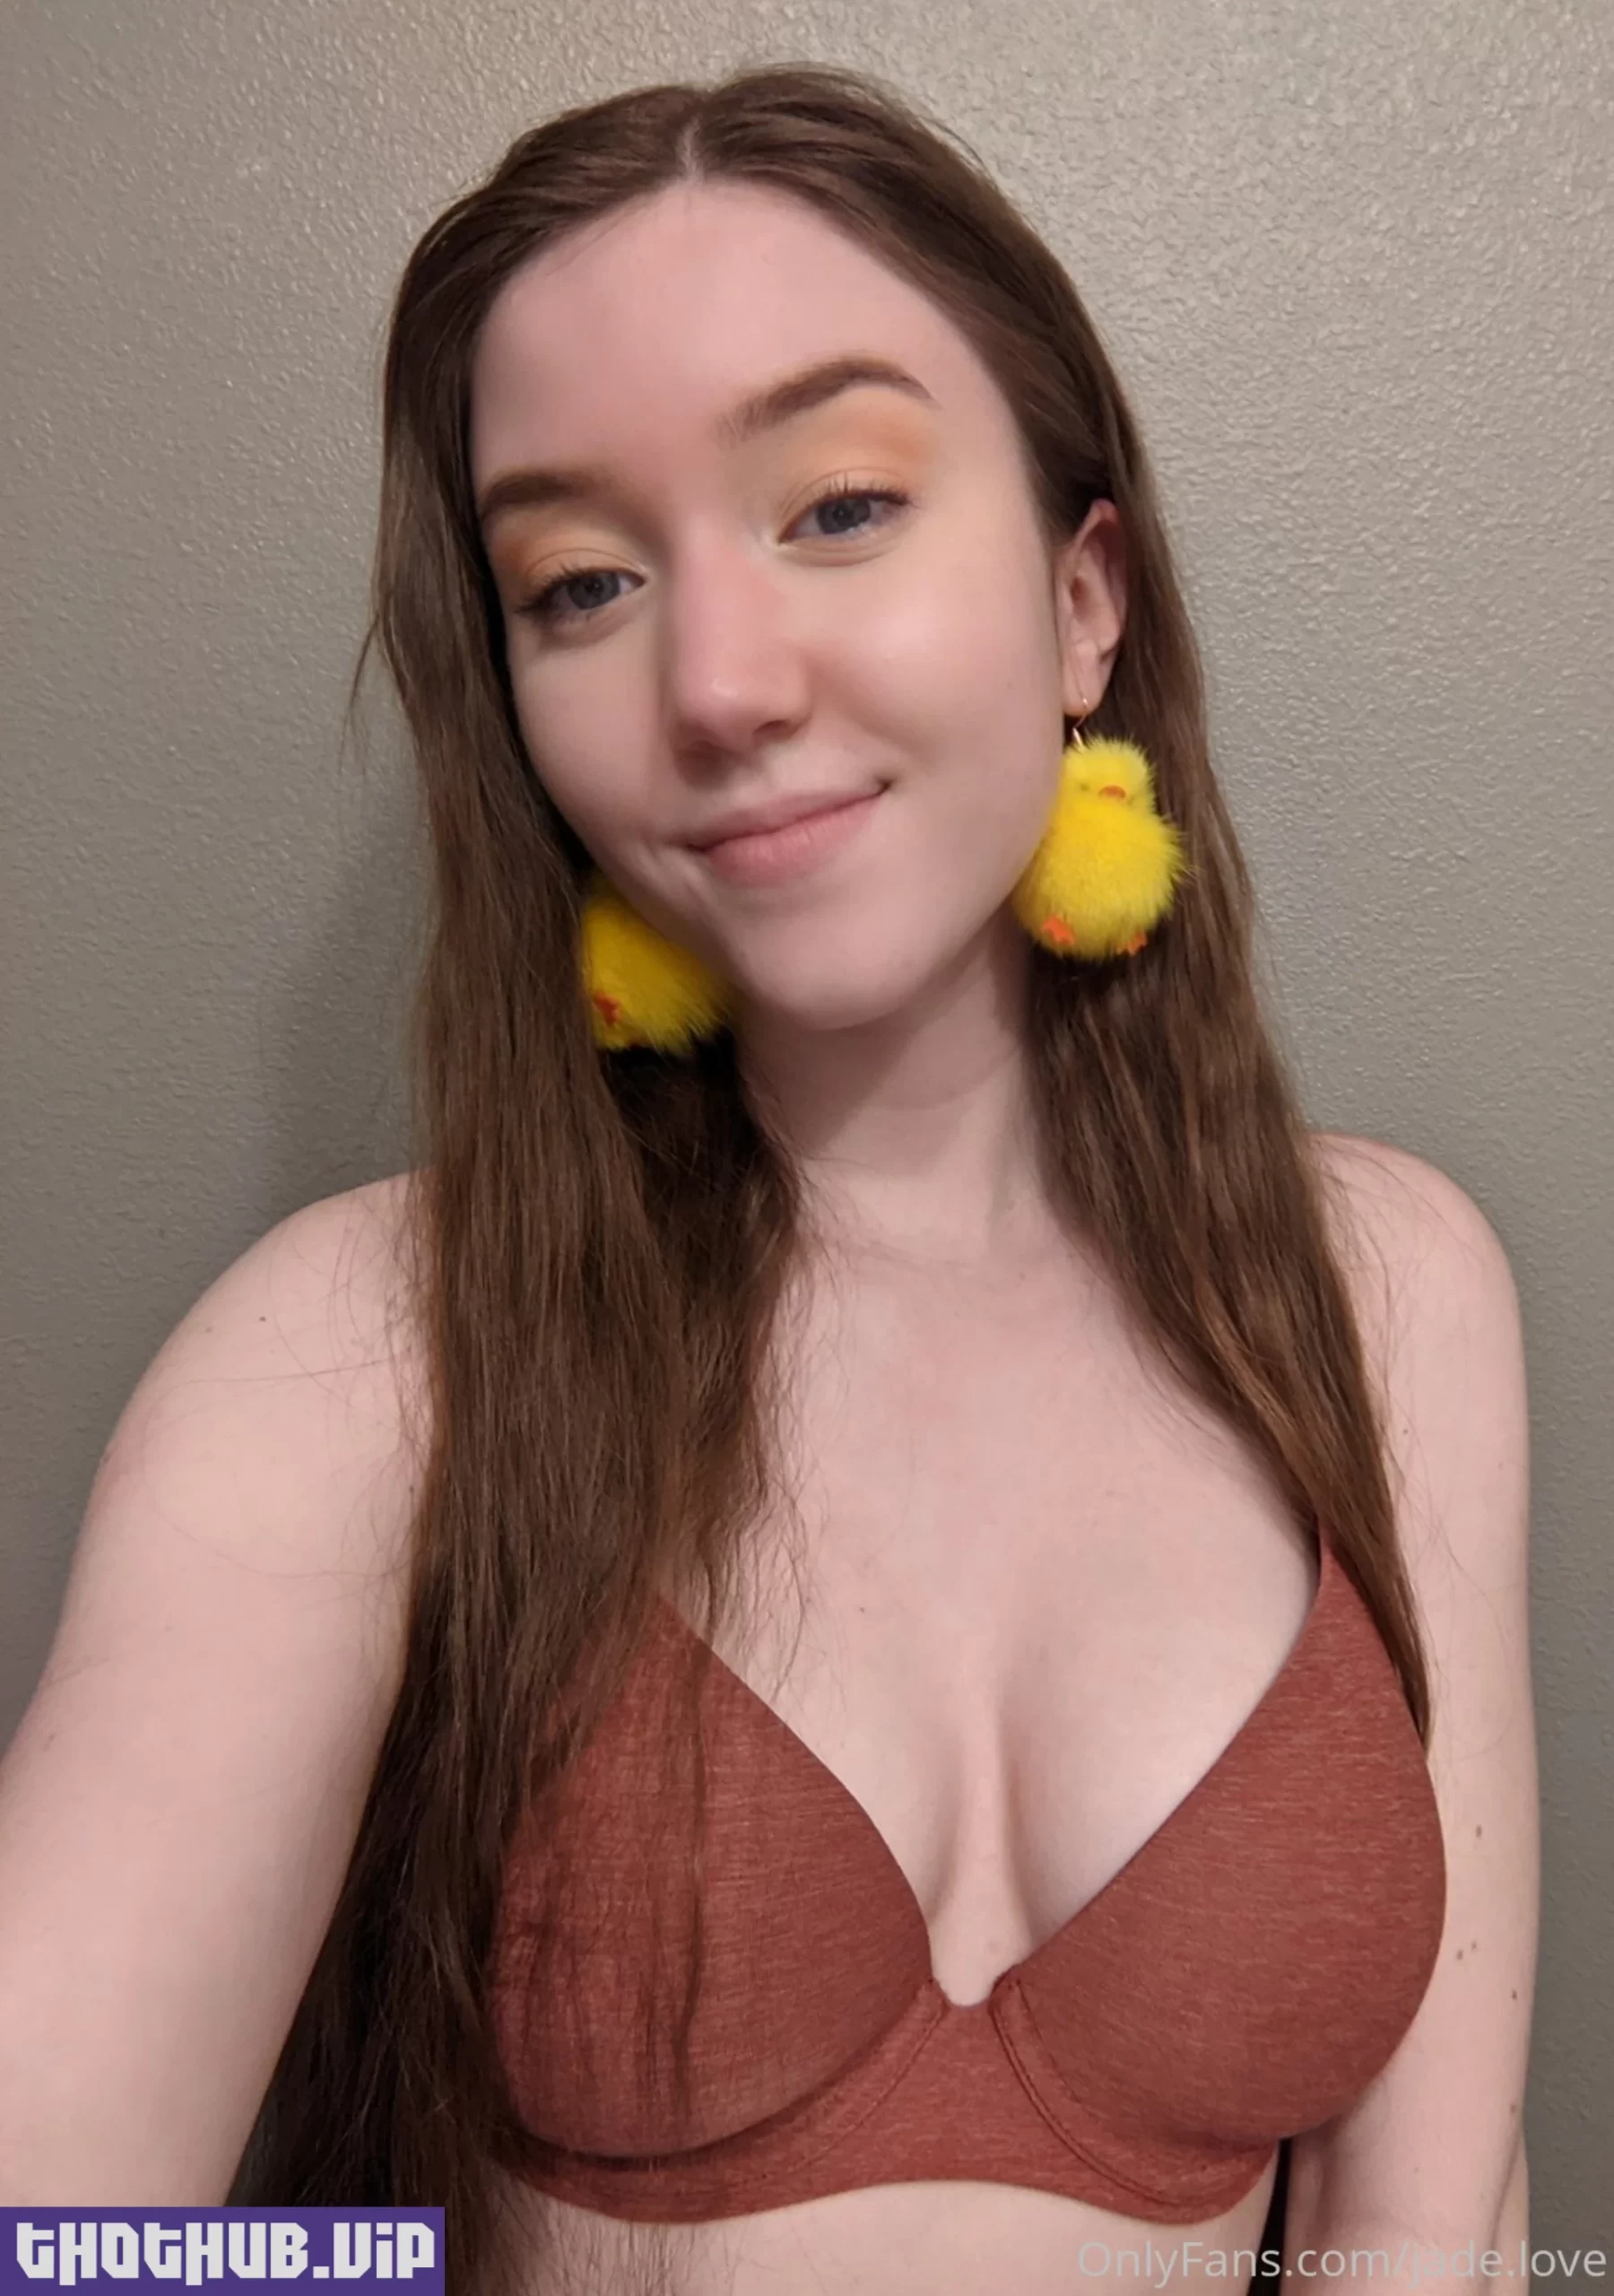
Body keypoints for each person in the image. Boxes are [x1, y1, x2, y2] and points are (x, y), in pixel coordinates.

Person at [0, 59, 1537, 2296]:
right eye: (581, 582)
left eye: (839, 506)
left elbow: (1427, 2226)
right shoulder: (363, 1354)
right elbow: (57, 2236)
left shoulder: (1391, 1291)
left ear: (1085, 598)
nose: (717, 682)